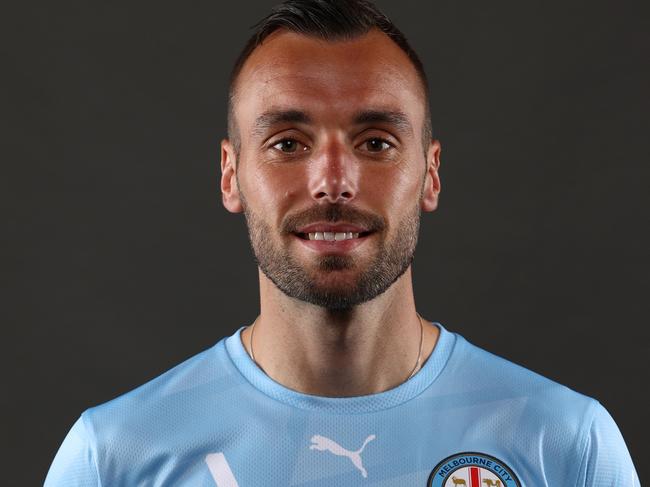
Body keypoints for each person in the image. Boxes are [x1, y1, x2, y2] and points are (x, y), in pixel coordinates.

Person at [45, 1, 640, 485]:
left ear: (430, 174)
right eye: (287, 143)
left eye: (376, 141)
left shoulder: (565, 444)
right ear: (231, 175)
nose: (333, 181)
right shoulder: (113, 458)